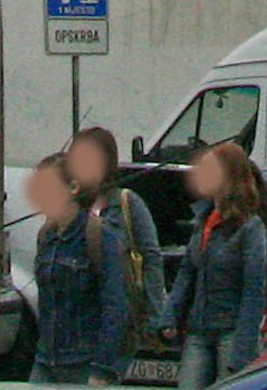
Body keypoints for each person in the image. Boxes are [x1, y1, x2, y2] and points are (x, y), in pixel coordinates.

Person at [169, 139, 267, 386]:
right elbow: (188, 271)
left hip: (232, 328)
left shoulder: (255, 226)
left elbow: (264, 283)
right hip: (199, 327)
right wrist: (170, 315)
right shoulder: (203, 221)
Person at [26, 155, 131, 386]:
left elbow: (115, 307)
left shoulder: (99, 236)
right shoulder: (46, 237)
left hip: (84, 363)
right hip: (46, 360)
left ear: (73, 187)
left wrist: (102, 369)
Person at [66, 129, 164, 371]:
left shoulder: (126, 203)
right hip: (77, 323)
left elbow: (151, 258)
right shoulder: (73, 205)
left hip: (117, 317)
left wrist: (155, 316)